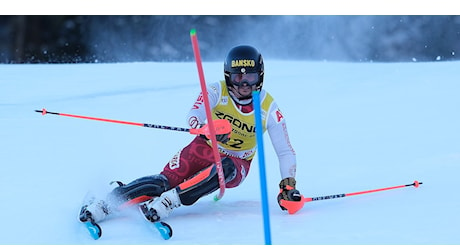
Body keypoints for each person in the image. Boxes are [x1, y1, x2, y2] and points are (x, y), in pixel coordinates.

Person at [79, 45, 302, 225]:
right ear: (228, 76)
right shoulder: (217, 90)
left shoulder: (269, 108)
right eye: (237, 77)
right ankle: (104, 204)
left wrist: (288, 186)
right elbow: (194, 114)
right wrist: (207, 126)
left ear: (260, 76)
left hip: (238, 161)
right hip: (202, 148)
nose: (244, 84)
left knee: (226, 168)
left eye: (250, 78)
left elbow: (284, 151)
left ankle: (168, 202)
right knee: (162, 182)